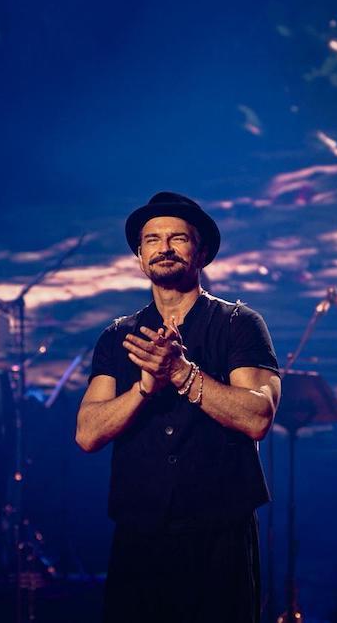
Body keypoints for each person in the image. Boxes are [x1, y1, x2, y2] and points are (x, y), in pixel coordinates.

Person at [76, 192, 282, 623]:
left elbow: (258, 417)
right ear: (139, 257)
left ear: (201, 253)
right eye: (152, 240)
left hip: (219, 536)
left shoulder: (240, 324)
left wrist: (182, 373)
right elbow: (88, 433)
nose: (164, 248)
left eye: (178, 238)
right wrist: (143, 389)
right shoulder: (118, 336)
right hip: (140, 538)